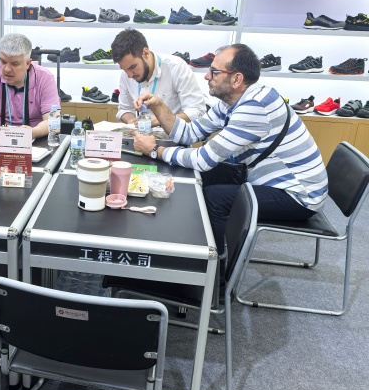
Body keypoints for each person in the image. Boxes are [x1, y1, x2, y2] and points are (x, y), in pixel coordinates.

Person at [133, 43, 328, 257]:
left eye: (214, 72)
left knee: (215, 198)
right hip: (269, 180)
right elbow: (189, 134)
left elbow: (202, 159)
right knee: (202, 177)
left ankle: (217, 266)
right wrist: (158, 106)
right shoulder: (231, 101)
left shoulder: (255, 107)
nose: (207, 76)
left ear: (236, 79)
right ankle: (188, 243)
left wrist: (155, 150)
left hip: (299, 195)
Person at [110, 28, 207, 132]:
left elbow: (197, 111)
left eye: (132, 67)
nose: (129, 75)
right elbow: (125, 109)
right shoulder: (127, 74)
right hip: (142, 137)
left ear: (145, 53)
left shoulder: (177, 67)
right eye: (124, 69)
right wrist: (131, 121)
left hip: (174, 138)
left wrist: (159, 120)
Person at [0, 33, 60, 138]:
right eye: (3, 62)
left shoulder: (45, 78)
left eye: (14, 64)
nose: (7, 69)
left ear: (28, 63)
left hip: (34, 139)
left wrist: (31, 133)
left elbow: (53, 122)